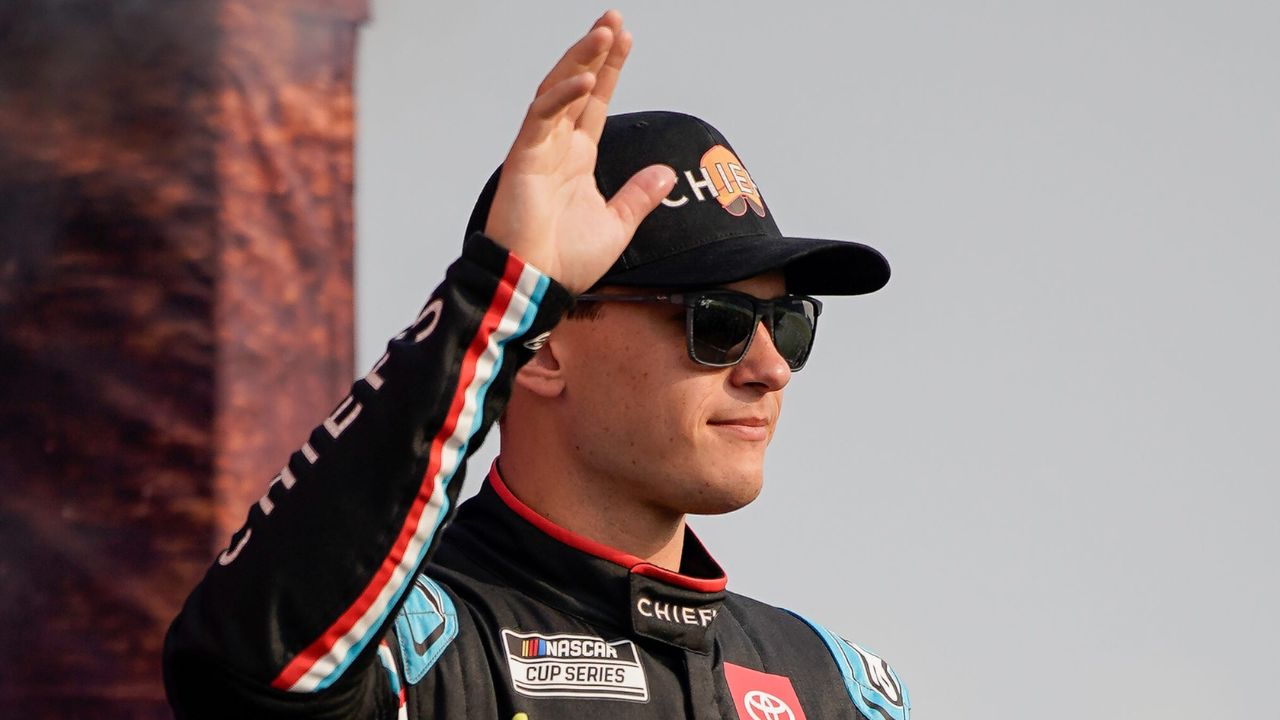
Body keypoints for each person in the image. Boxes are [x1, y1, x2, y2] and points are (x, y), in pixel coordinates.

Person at [164, 11, 909, 720]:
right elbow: (249, 666)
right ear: (545, 346)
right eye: (715, 323)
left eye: (787, 323)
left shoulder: (831, 687)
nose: (770, 368)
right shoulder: (420, 651)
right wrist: (494, 295)